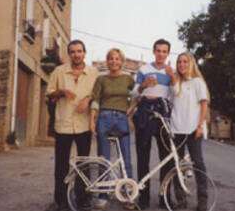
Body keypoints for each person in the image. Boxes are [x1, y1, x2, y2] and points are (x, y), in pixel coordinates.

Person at [46, 39, 99, 211]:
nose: (76, 54)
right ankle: (60, 201)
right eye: (73, 51)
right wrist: (61, 92)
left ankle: (82, 198)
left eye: (79, 51)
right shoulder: (58, 72)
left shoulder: (94, 73)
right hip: (64, 124)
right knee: (61, 165)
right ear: (69, 54)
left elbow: (98, 95)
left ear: (84, 53)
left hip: (84, 125)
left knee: (83, 164)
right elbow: (49, 94)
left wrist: (88, 99)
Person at [132, 39, 175, 210]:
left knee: (166, 158)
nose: (161, 54)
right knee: (143, 157)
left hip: (163, 111)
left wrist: (172, 78)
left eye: (164, 51)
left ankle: (165, 197)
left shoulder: (171, 71)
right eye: (158, 51)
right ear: (153, 51)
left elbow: (174, 95)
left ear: (168, 54)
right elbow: (134, 93)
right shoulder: (143, 69)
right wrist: (143, 86)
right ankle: (143, 199)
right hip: (144, 111)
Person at [89, 48, 135, 209]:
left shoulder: (128, 79)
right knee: (104, 159)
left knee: (126, 160)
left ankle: (128, 194)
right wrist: (92, 120)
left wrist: (131, 111)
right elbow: (95, 100)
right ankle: (103, 194)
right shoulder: (101, 79)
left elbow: (135, 96)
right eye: (111, 59)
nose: (114, 61)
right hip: (104, 118)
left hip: (122, 119)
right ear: (107, 61)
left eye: (117, 59)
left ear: (122, 61)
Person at [170, 52, 209, 211]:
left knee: (197, 164)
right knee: (177, 166)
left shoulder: (197, 82)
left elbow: (204, 105)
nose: (182, 64)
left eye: (185, 61)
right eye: (179, 62)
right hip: (176, 129)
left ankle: (203, 201)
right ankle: (181, 201)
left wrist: (200, 126)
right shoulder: (175, 82)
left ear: (191, 63)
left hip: (193, 129)